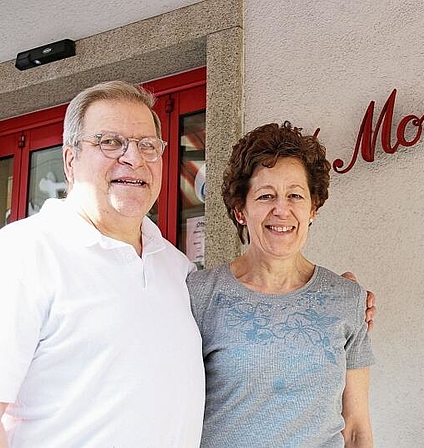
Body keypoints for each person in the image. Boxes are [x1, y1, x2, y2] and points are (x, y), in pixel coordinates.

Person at [0, 81, 376, 448]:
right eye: (110, 142)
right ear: (70, 159)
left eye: (147, 145)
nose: (132, 157)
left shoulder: (176, 270)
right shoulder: (23, 254)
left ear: (313, 208)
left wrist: (342, 300)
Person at [188, 122, 374, 447]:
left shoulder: (347, 299)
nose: (282, 209)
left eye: (295, 195)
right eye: (265, 196)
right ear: (240, 210)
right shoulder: (200, 295)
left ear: (313, 208)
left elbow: (357, 428)